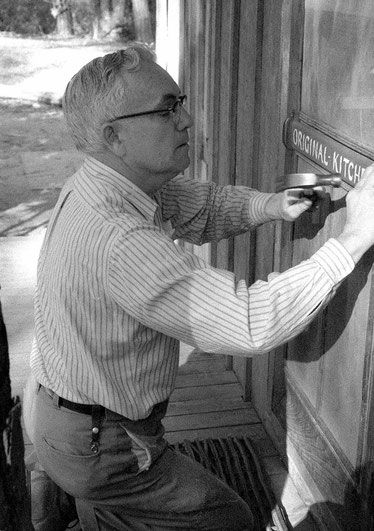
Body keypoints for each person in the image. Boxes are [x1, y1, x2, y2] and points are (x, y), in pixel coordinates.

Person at [26, 44, 374, 531]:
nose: (187, 120)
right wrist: (357, 236)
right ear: (114, 136)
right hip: (102, 444)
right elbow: (250, 322)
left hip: (72, 422)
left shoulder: (105, 183)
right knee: (228, 518)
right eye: (168, 109)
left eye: (181, 102)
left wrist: (272, 205)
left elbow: (199, 206)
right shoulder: (120, 240)